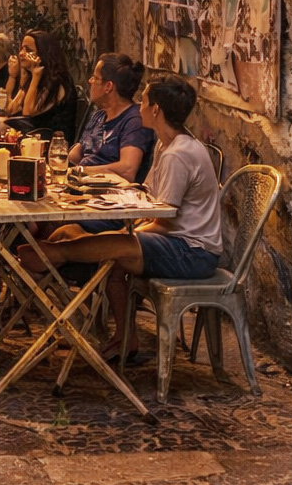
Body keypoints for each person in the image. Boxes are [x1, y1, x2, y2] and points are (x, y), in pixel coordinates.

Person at [20, 75, 223, 360]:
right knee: (95, 244)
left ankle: (57, 253)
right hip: (171, 237)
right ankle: (124, 336)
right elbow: (149, 194)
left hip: (193, 250)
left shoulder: (180, 154)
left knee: (122, 244)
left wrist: (134, 229)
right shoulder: (166, 145)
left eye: (145, 100)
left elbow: (164, 217)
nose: (139, 105)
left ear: (156, 110)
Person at [67, 53, 154, 181]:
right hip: (82, 183)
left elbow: (128, 168)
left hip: (107, 191)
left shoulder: (133, 121)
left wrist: (82, 171)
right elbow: (76, 154)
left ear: (108, 86)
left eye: (95, 78)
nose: (90, 81)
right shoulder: (99, 115)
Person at [5, 30, 77, 134]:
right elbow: (10, 110)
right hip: (33, 138)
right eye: (22, 48)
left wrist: (36, 76)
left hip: (53, 140)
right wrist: (12, 76)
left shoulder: (56, 81)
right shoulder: (31, 78)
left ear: (43, 54)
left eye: (28, 50)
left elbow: (28, 113)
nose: (21, 53)